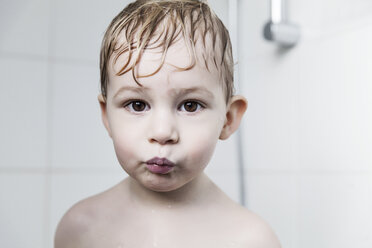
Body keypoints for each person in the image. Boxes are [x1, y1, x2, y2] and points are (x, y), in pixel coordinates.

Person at [54, 0, 281, 247]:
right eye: (137, 105)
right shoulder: (80, 229)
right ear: (107, 116)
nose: (162, 133)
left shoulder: (251, 240)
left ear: (228, 119)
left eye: (190, 105)